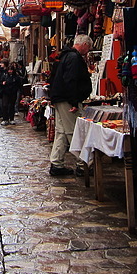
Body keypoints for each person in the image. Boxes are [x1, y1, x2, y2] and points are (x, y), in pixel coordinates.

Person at [47, 34, 93, 176]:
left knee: (61, 132)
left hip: (60, 98)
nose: (89, 50)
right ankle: (82, 164)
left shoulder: (65, 56)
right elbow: (70, 80)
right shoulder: (73, 58)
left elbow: (55, 78)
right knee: (73, 132)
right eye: (89, 47)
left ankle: (57, 163)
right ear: (84, 44)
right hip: (67, 100)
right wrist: (73, 101)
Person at [0, 61, 21, 126]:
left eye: (11, 70)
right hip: (5, 92)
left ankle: (11, 118)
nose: (10, 71)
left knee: (11, 106)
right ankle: (5, 119)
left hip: (13, 93)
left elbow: (19, 84)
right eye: (9, 70)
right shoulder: (4, 75)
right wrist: (2, 84)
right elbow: (0, 82)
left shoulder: (16, 77)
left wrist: (18, 90)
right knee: (5, 105)